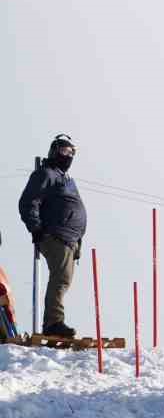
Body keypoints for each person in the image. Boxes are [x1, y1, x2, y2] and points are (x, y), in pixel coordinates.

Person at [18, 134, 87, 338]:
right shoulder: (46, 174)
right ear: (55, 151)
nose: (69, 156)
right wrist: (36, 228)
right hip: (54, 236)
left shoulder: (63, 177)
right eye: (65, 151)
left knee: (63, 280)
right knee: (60, 279)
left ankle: (54, 322)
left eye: (72, 152)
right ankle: (53, 323)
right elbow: (28, 202)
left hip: (69, 240)